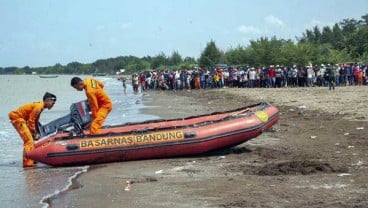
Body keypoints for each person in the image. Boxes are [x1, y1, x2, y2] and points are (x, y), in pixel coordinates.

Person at [8, 92, 57, 167]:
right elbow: (31, 121)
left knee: (31, 140)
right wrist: (34, 133)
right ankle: (28, 163)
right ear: (47, 100)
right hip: (18, 119)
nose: (53, 105)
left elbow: (35, 121)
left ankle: (32, 159)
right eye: (52, 103)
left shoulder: (40, 107)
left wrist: (37, 132)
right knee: (29, 141)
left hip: (22, 120)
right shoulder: (38, 107)